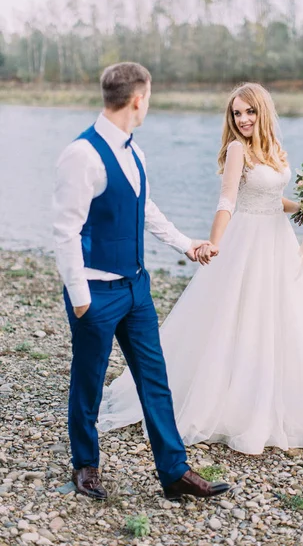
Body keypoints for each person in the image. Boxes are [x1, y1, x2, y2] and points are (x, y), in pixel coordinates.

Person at [98, 82, 303, 454]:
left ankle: (283, 399)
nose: (242, 119)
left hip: (276, 241)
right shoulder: (236, 149)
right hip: (245, 240)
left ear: (263, 111)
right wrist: (214, 243)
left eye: (249, 111)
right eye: (236, 113)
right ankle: (227, 401)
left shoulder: (275, 148)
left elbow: (275, 200)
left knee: (284, 318)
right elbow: (227, 199)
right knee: (235, 316)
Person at [53, 62, 230, 501]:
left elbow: (144, 209)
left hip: (136, 289)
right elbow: (64, 232)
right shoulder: (82, 155)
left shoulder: (136, 152)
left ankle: (174, 472)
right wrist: (79, 300)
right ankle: (86, 465)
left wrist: (186, 244)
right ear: (138, 99)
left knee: (155, 379)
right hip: (94, 293)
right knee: (88, 380)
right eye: (149, 96)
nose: (148, 103)